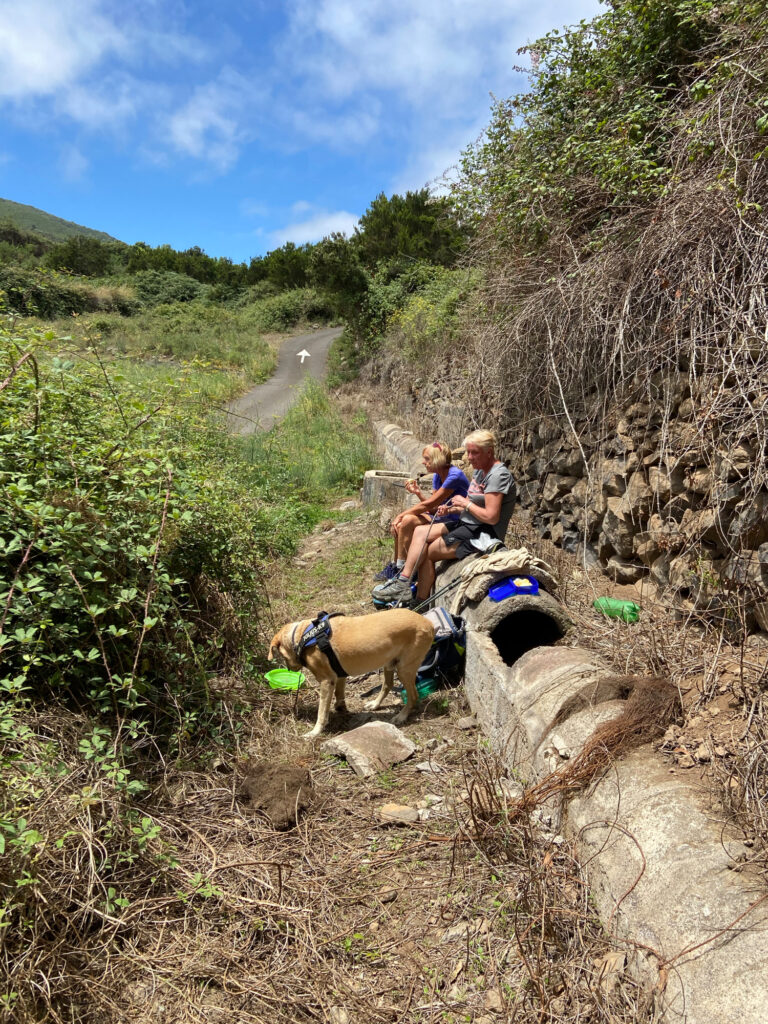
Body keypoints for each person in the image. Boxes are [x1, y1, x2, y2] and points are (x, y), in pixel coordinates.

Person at [373, 429, 516, 604]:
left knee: (429, 551)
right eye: (468, 452)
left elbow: (492, 517)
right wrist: (452, 510)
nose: (469, 457)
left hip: (484, 533)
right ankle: (403, 582)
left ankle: (419, 600)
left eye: (474, 453)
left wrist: (465, 504)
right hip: (468, 523)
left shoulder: (498, 475)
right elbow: (471, 506)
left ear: (489, 452)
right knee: (419, 532)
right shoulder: (480, 470)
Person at [373, 441, 469, 580]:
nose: (424, 462)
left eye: (427, 459)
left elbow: (429, 505)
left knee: (405, 520)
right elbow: (433, 508)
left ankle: (401, 571)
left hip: (455, 519)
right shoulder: (438, 475)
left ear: (438, 459)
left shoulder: (454, 476)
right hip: (442, 516)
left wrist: (399, 515)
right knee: (402, 524)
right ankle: (397, 566)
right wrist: (418, 493)